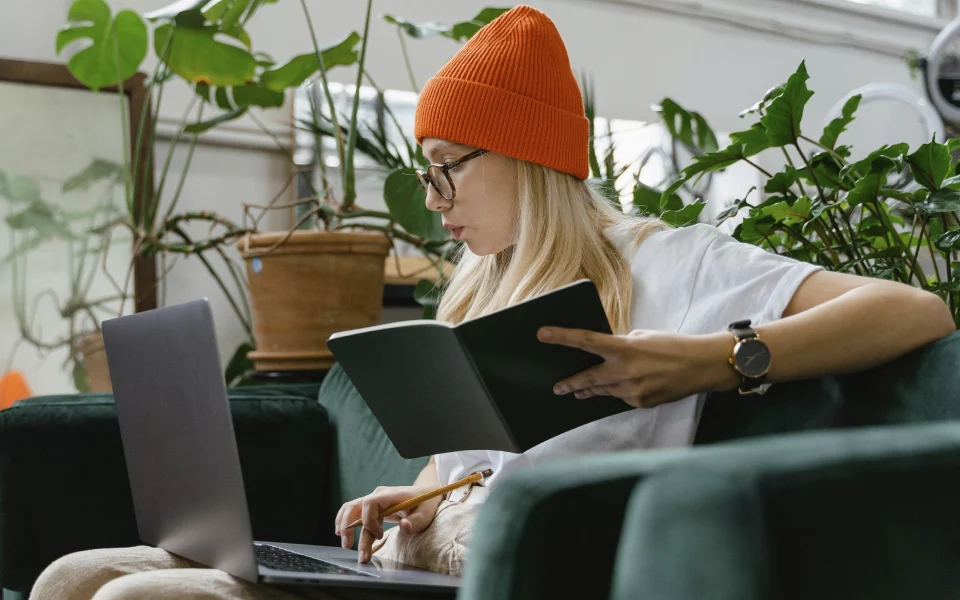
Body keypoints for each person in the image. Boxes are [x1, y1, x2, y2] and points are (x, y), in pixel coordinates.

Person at [30, 5, 955, 599]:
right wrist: (420, 497)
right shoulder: (481, 285)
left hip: (522, 570)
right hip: (415, 570)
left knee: (128, 597)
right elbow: (463, 472)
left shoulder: (677, 264)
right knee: (70, 575)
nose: (433, 201)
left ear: (523, 154)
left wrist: (715, 358)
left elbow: (918, 311)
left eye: (446, 171)